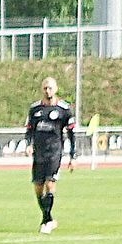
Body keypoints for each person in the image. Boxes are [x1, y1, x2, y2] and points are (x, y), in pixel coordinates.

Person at [25, 76, 75, 234]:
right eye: (45, 88)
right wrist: (29, 144)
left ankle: (46, 221)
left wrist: (73, 156)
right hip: (38, 153)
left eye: (50, 88)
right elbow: (29, 130)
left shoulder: (64, 109)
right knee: (38, 187)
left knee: (50, 184)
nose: (48, 91)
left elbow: (71, 134)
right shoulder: (35, 109)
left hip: (54, 152)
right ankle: (48, 219)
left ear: (56, 89)